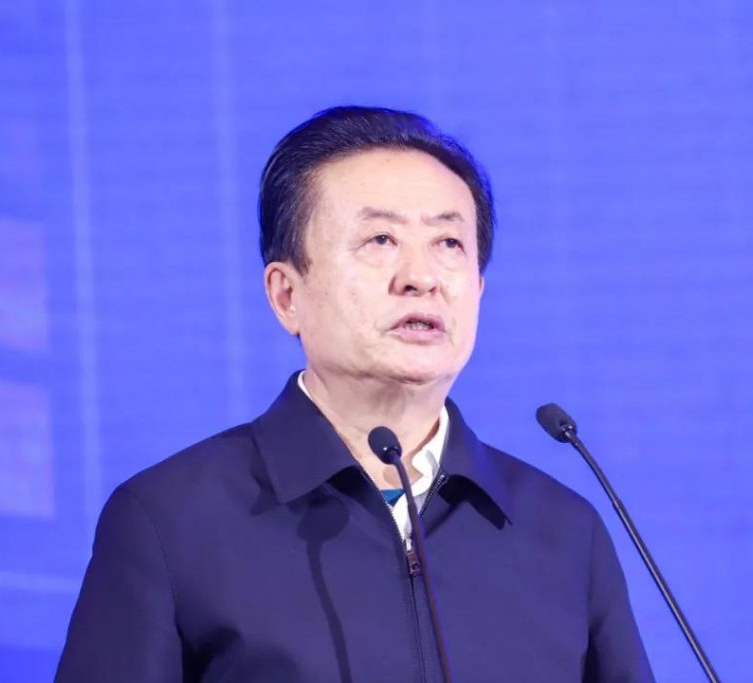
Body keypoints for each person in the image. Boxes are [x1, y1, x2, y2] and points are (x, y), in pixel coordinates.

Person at [56, 106, 654, 682]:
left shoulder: (563, 533)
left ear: (478, 288)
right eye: (380, 240)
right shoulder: (171, 521)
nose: (421, 277)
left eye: (449, 243)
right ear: (287, 295)